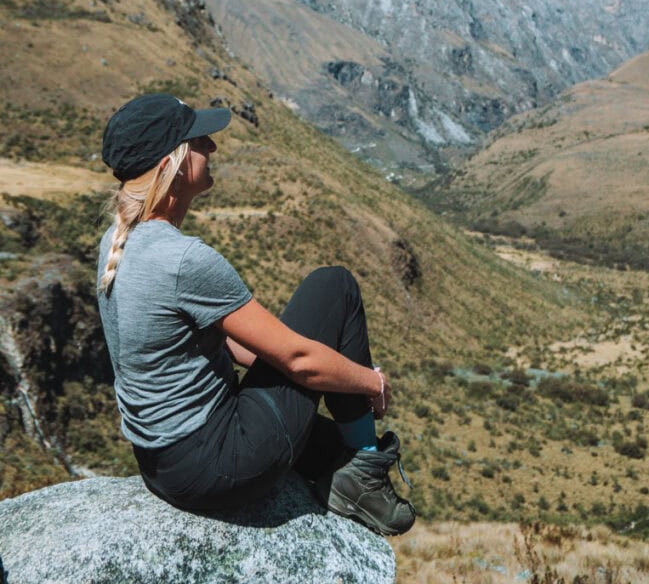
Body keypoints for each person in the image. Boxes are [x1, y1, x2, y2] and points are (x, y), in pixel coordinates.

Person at [97, 93, 415, 535]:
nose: (212, 147)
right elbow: (300, 359)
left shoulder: (117, 241)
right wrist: (370, 381)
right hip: (218, 466)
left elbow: (221, 341)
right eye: (200, 139)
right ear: (175, 162)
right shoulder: (183, 259)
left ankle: (351, 469)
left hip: (165, 465)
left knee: (330, 445)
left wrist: (326, 371)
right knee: (333, 285)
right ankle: (366, 476)